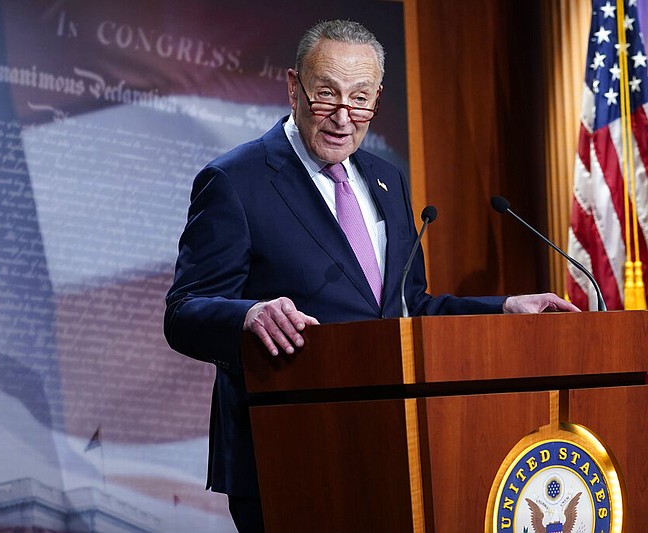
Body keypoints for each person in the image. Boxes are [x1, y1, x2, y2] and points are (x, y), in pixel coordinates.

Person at [164, 19, 578, 532]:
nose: (343, 117)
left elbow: (407, 309)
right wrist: (247, 314)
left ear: (377, 96)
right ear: (293, 87)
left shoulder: (386, 178)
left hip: (385, 447)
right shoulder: (235, 179)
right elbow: (183, 312)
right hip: (284, 450)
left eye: (360, 99)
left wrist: (505, 307)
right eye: (326, 96)